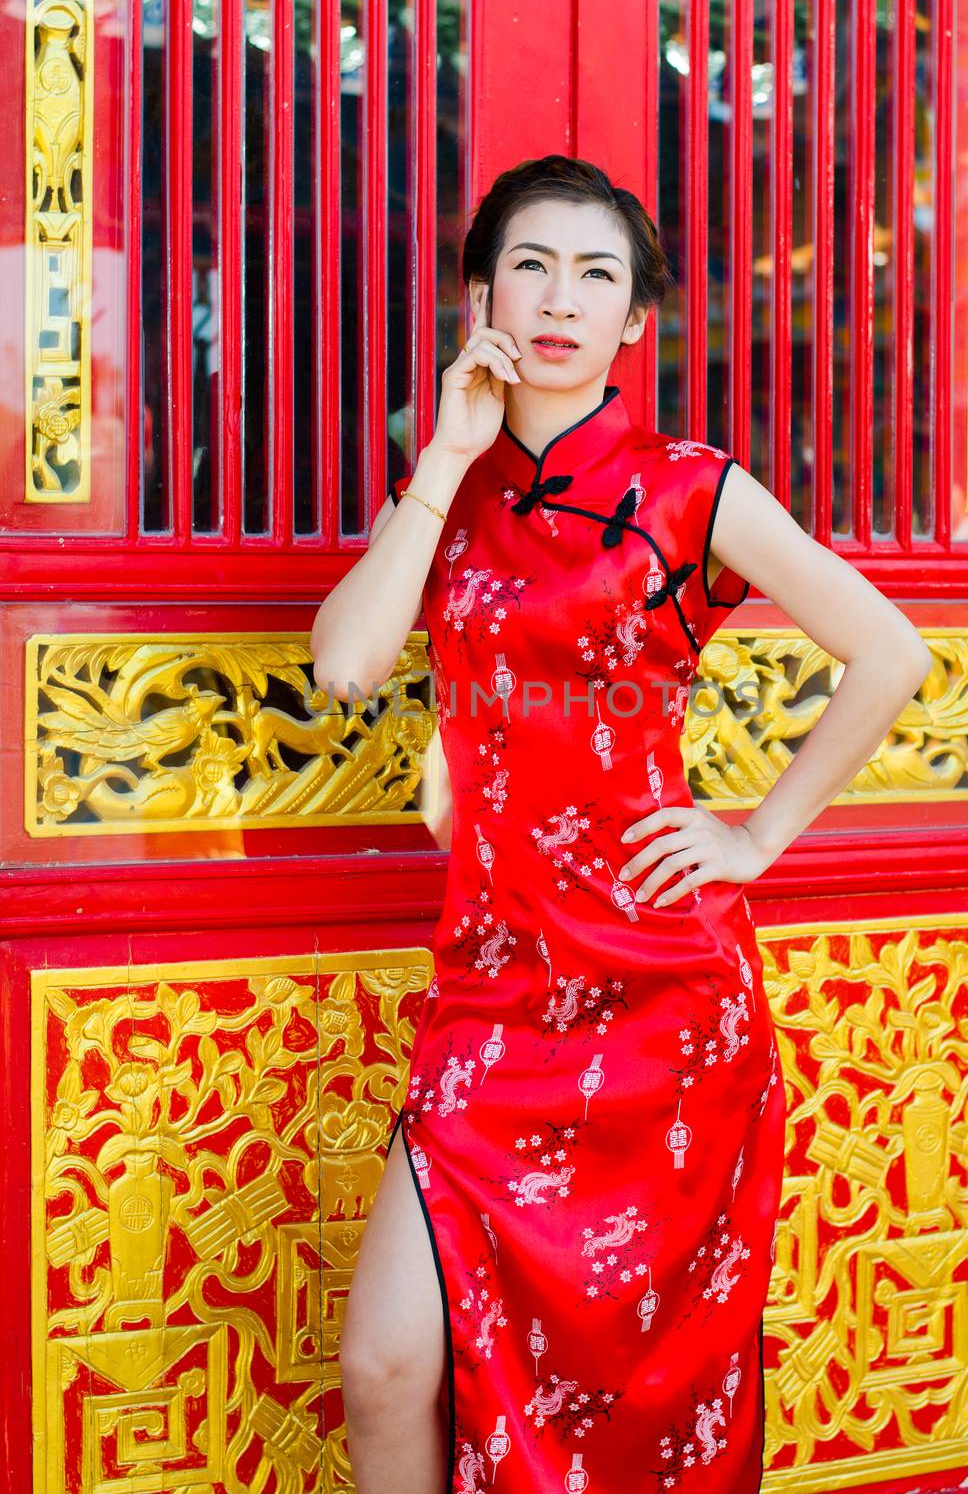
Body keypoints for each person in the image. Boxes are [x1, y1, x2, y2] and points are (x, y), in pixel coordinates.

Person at [310, 155, 932, 1494]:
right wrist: (447, 457)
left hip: (662, 997)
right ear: (483, 291)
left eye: (598, 276)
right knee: (387, 1372)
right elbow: (349, 665)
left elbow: (890, 652)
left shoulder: (688, 489)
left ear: (637, 321)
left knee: (636, 1397)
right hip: (492, 992)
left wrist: (755, 837)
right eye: (531, 264)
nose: (561, 298)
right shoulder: (447, 497)